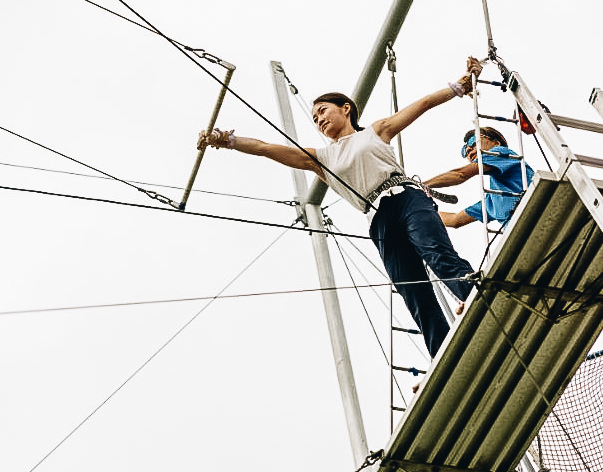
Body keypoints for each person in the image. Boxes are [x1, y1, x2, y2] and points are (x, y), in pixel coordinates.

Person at [198, 57, 483, 358]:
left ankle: (473, 293)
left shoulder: (375, 131)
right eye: (315, 118)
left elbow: (423, 104)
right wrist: (226, 140)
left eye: (323, 111)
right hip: (379, 219)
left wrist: (459, 86)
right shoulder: (321, 158)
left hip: (405, 198)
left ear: (345, 108)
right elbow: (266, 148)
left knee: (434, 251)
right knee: (411, 289)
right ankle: (441, 350)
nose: (319, 120)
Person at [422, 126, 534, 228]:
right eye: (464, 150)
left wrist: (420, 185)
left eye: (473, 141)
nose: (468, 149)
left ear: (496, 142)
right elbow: (455, 220)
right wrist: (418, 213)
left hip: (535, 211)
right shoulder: (493, 199)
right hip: (523, 229)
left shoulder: (501, 153)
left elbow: (461, 174)